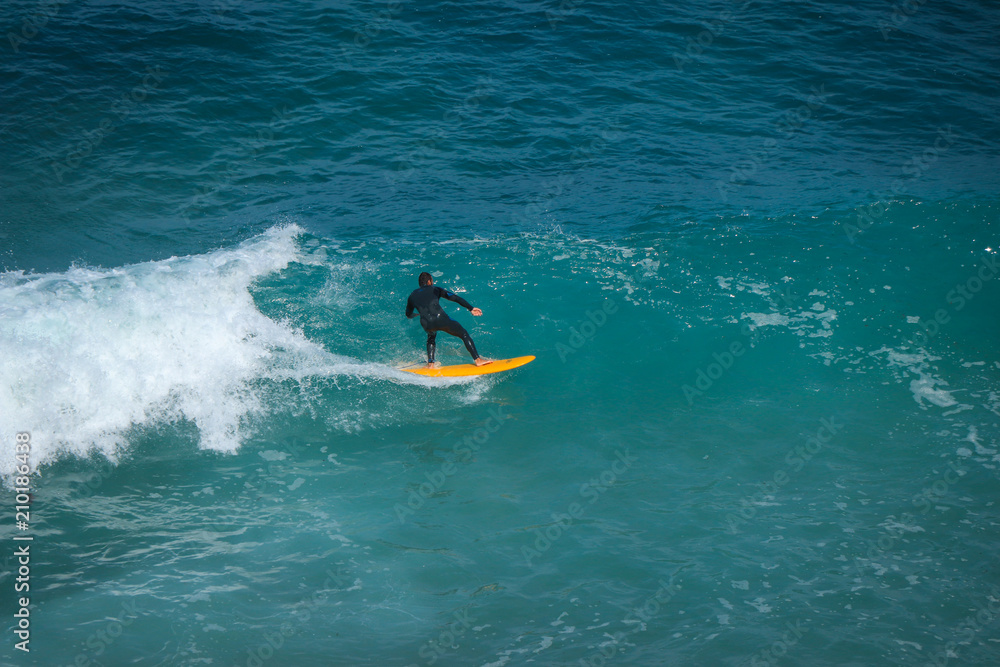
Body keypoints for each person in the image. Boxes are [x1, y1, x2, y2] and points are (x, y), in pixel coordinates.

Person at [406, 272, 490, 367]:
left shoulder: (412, 295)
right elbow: (455, 298)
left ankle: (431, 364)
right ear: (429, 281)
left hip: (426, 323)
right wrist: (470, 308)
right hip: (440, 318)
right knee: (463, 334)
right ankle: (478, 360)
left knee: (431, 337)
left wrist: (416, 314)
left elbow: (408, 314)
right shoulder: (435, 289)